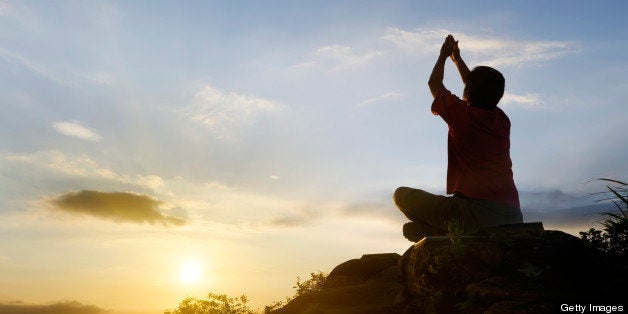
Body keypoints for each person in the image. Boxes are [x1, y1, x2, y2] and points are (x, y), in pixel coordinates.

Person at [394, 34, 523, 242]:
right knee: (420, 224)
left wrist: (444, 55)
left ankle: (445, 231)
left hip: (475, 214)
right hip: (513, 215)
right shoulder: (501, 120)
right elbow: (473, 88)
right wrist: (458, 60)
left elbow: (434, 82)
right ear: (498, 95)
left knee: (401, 195)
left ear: (469, 92)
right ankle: (442, 229)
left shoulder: (461, 115)